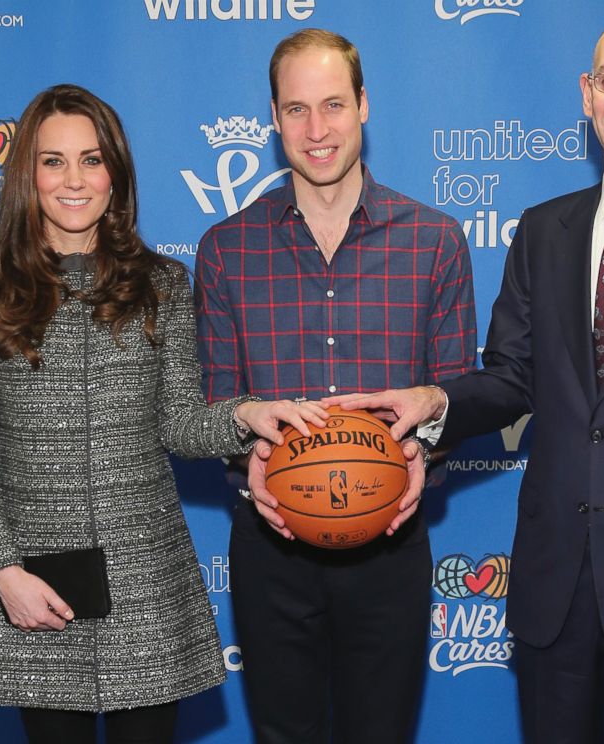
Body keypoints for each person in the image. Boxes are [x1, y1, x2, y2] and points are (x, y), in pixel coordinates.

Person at [330, 14, 604, 744]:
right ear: (586, 93)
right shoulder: (543, 231)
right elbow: (512, 378)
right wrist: (436, 400)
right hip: (553, 590)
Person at [0, 84, 325, 744]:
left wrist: (249, 413)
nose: (74, 179)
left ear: (115, 174)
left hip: (145, 579)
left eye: (92, 159)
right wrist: (5, 571)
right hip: (40, 584)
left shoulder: (162, 283)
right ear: (26, 173)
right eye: (53, 160)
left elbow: (180, 422)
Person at [193, 29, 477, 744]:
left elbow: (460, 397)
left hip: (390, 542)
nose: (316, 131)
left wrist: (423, 452)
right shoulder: (225, 249)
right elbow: (215, 406)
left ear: (364, 106)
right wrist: (245, 449)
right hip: (271, 545)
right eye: (296, 110)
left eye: (332, 106)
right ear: (273, 118)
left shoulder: (435, 241)